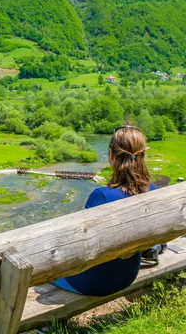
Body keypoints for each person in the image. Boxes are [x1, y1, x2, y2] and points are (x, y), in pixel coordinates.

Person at [52, 125, 156, 297]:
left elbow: (79, 245)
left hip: (94, 283)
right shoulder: (150, 188)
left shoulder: (101, 196)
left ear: (111, 156)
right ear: (142, 155)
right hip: (128, 275)